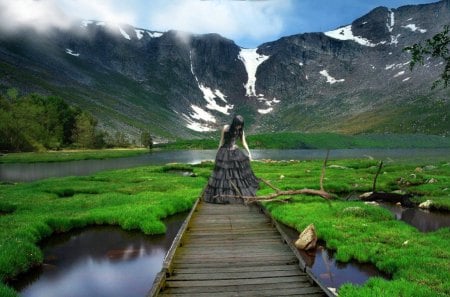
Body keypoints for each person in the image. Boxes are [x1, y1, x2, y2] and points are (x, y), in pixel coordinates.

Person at [203, 115, 259, 204]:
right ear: (234, 123)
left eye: (241, 125)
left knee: (236, 172)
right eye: (238, 125)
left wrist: (249, 152)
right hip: (224, 151)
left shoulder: (241, 130)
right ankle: (223, 193)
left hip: (234, 151)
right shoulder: (225, 128)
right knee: (223, 173)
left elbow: (243, 142)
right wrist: (217, 153)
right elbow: (221, 141)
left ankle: (235, 189)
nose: (239, 126)